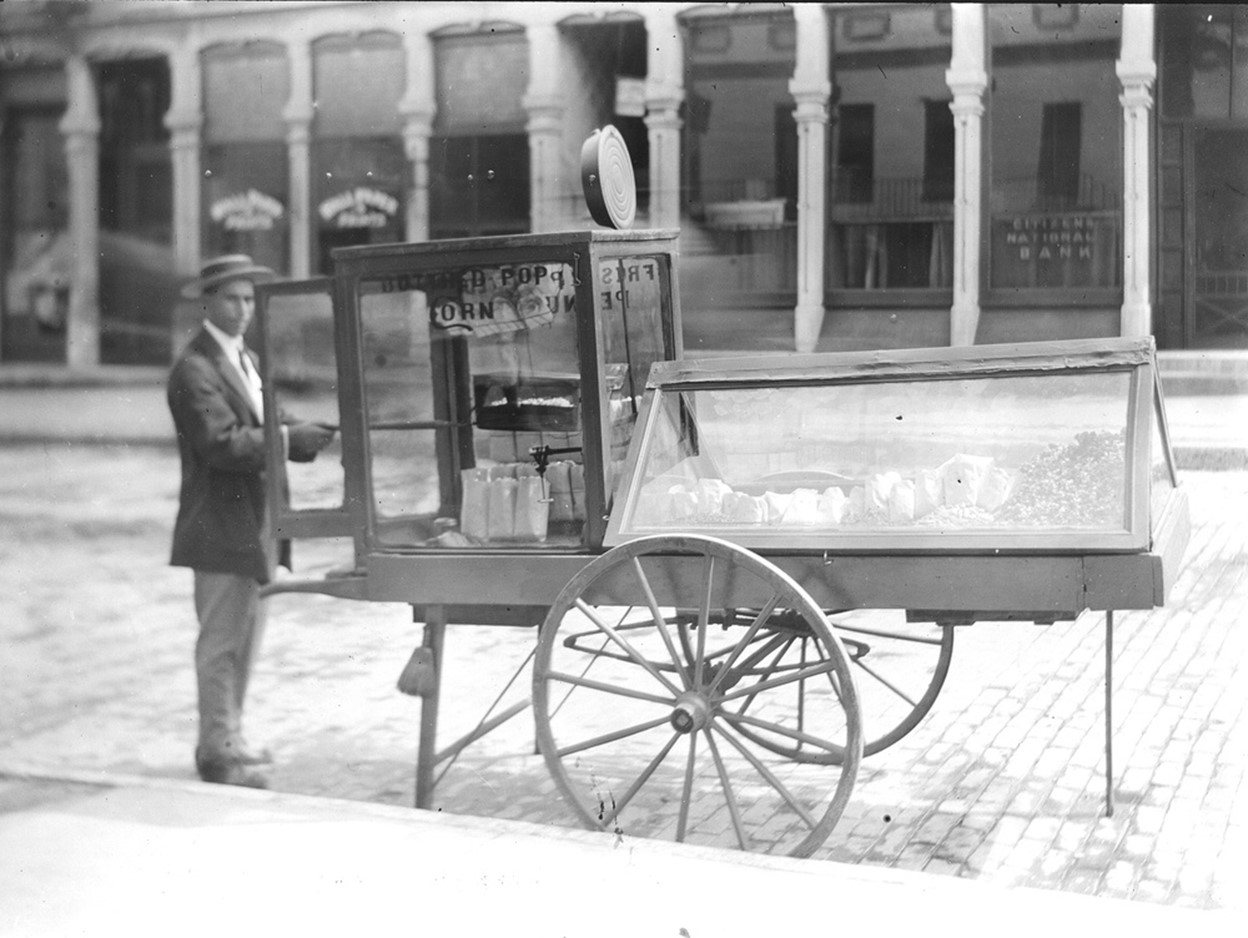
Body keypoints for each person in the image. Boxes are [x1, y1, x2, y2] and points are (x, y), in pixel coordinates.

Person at [168, 254, 335, 788]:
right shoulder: (193, 368)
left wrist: (306, 429)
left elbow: (268, 419)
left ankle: (230, 739)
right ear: (208, 302)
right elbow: (221, 444)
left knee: (247, 637)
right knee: (220, 641)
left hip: (257, 523)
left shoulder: (247, 359)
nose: (243, 309)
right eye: (232, 299)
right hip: (219, 525)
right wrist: (287, 441)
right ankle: (216, 750)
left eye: (248, 299)